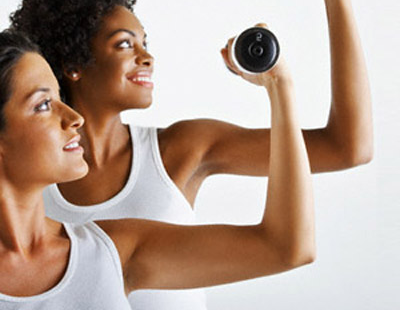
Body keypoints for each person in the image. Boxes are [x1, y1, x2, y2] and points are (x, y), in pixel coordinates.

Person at [9, 0, 372, 309]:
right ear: (73, 63)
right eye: (124, 45)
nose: (147, 57)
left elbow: (348, 148)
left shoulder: (182, 149)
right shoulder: (30, 176)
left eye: (145, 43)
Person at [0, 29, 314, 308]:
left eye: (59, 98)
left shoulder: (111, 251)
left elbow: (287, 248)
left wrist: (279, 85)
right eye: (43, 105)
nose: (74, 118)